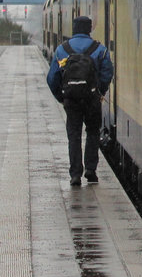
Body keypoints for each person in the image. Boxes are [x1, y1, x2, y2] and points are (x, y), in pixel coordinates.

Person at [46, 16, 115, 186]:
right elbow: (107, 73)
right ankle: (91, 170)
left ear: (74, 29)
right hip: (92, 99)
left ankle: (75, 174)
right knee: (92, 133)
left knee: (74, 136)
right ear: (89, 29)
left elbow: (52, 78)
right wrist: (100, 92)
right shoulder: (100, 49)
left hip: (71, 100)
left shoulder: (62, 50)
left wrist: (62, 97)